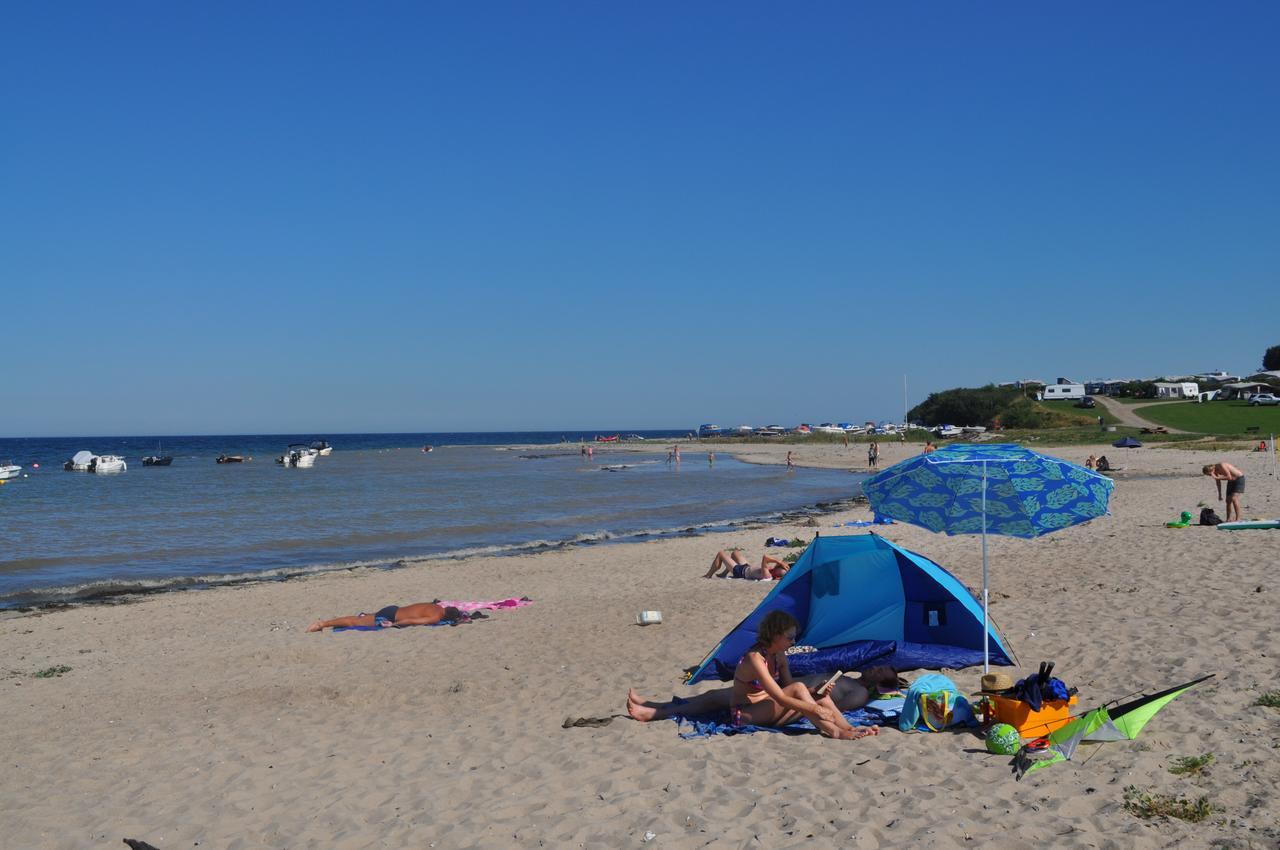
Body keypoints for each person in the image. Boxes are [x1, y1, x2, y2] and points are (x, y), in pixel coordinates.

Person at [626, 611, 877, 739]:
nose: (793, 641)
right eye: (789, 636)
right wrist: (813, 708)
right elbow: (781, 695)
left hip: (763, 705)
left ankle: (846, 728)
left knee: (811, 692)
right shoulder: (755, 658)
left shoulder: (779, 655)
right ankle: (652, 710)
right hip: (745, 713)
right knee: (715, 695)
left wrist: (816, 695)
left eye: (793, 637)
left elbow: (790, 685)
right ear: (774, 635)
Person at [306, 601, 483, 632]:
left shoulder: (436, 606)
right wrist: (394, 625)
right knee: (354, 622)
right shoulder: (435, 618)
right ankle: (323, 624)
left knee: (361, 618)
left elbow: (414, 612)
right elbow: (413, 621)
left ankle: (367, 615)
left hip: (394, 608)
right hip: (391, 615)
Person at [704, 550, 790, 581]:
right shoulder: (772, 572)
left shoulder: (767, 575)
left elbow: (765, 557)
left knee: (721, 553)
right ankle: (724, 573)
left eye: (779, 567)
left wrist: (779, 561)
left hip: (740, 571)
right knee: (735, 553)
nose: (778, 566)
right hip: (746, 567)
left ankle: (708, 575)